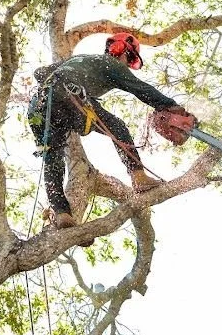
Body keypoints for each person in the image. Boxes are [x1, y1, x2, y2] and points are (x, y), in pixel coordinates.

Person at [27, 32, 194, 229]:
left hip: (38, 108)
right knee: (117, 126)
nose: (127, 64)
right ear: (121, 50)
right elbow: (140, 89)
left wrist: (59, 81)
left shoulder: (78, 60)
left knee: (52, 158)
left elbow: (39, 72)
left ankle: (61, 212)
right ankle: (138, 176)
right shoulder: (110, 64)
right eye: (129, 58)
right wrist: (173, 106)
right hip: (71, 96)